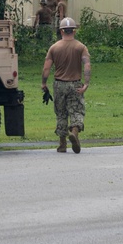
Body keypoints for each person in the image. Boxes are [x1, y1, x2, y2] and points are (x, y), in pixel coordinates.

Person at [41, 18, 91, 154]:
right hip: (75, 84)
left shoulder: (54, 47)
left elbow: (46, 68)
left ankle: (62, 144)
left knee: (61, 113)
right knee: (76, 111)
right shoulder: (81, 47)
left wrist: (44, 83)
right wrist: (86, 83)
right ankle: (74, 132)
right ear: (74, 30)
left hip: (59, 84)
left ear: (61, 31)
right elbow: (87, 65)